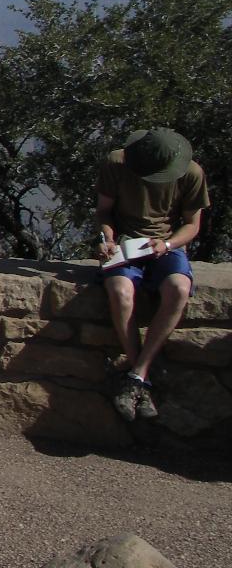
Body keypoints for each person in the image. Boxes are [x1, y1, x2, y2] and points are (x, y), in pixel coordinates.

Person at [98, 128, 210, 421]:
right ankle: (141, 378)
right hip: (125, 244)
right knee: (120, 292)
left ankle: (136, 375)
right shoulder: (116, 163)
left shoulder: (192, 174)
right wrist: (107, 238)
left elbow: (192, 225)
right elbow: (104, 212)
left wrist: (168, 244)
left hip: (168, 244)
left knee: (178, 289)